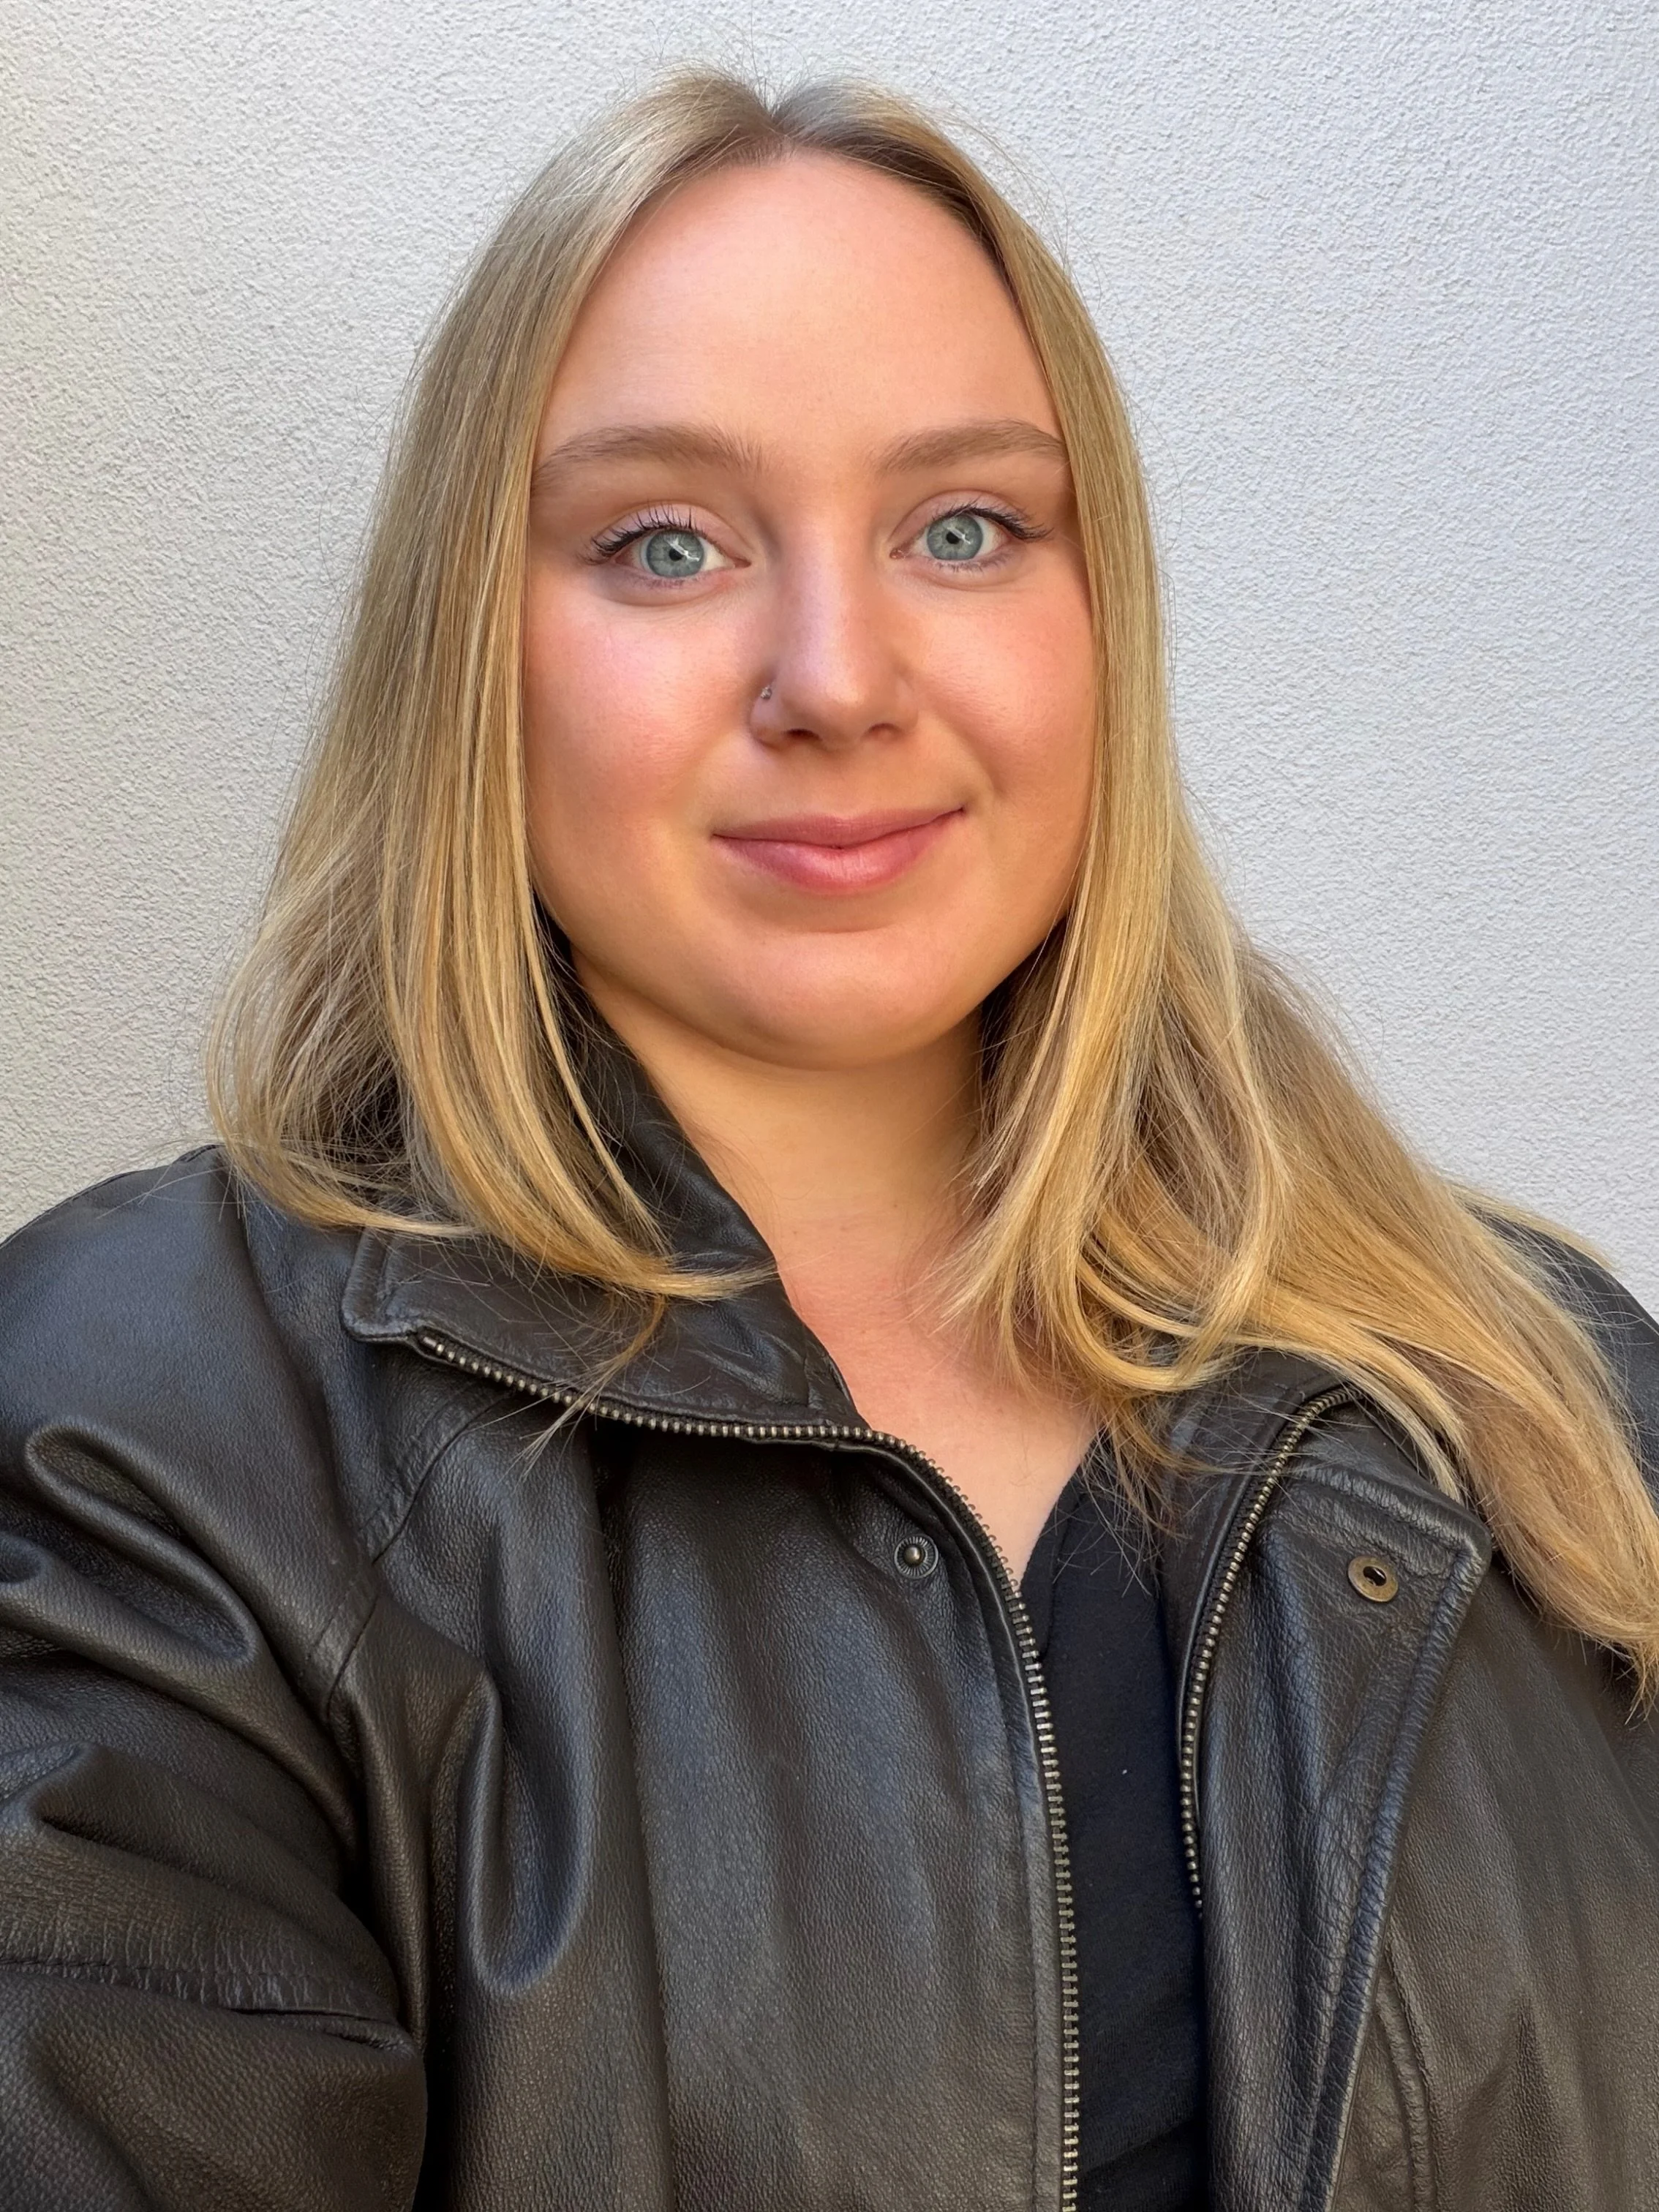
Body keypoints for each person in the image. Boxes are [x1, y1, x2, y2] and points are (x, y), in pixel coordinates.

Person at [0, 69, 1655, 2212]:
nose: (837, 676)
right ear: (468, 657)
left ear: (1097, 622)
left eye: (962, 527)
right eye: (662, 544)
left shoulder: (1544, 1396)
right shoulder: (141, 1435)